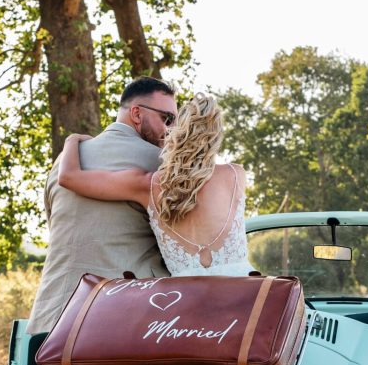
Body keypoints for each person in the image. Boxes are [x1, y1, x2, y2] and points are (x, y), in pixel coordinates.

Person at [26, 77, 178, 336]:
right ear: (137, 114)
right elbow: (178, 242)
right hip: (124, 322)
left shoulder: (65, 160)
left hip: (50, 319)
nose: (170, 130)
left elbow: (58, 228)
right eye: (167, 119)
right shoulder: (162, 163)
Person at [58, 93, 250, 277]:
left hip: (186, 298)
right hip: (242, 296)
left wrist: (72, 139)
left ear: (176, 134)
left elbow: (69, 177)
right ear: (215, 137)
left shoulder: (147, 185)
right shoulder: (235, 175)